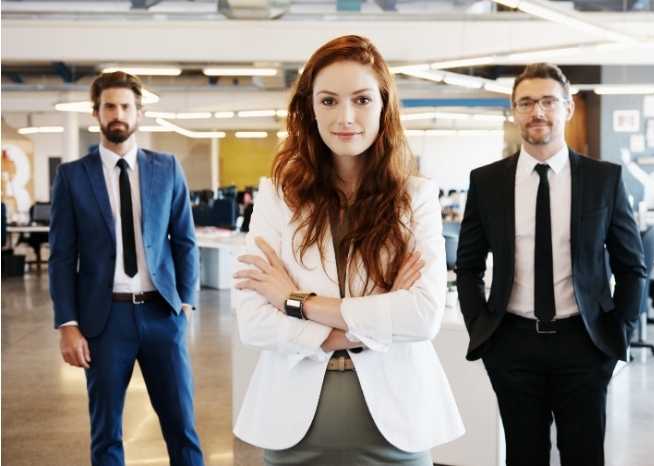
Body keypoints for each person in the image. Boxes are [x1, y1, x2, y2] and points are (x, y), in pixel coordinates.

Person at [232, 35, 464, 465]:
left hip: (396, 426)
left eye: (361, 99)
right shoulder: (278, 198)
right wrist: (374, 321)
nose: (346, 117)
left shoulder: (415, 199)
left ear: (383, 104)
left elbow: (422, 316)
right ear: (309, 108)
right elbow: (252, 321)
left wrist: (294, 301)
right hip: (293, 430)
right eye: (328, 101)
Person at [456, 63, 645, 466]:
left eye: (547, 102)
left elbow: (632, 268)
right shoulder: (486, 182)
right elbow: (468, 265)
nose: (537, 112)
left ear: (568, 108)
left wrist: (617, 335)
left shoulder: (603, 180)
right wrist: (483, 332)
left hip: (584, 343)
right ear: (514, 110)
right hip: (513, 344)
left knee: (584, 455)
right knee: (523, 456)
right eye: (526, 102)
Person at [49, 71, 205, 466]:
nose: (117, 114)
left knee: (182, 429)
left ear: (138, 113)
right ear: (96, 113)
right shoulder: (72, 176)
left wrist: (185, 304)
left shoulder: (166, 168)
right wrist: (68, 324)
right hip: (104, 321)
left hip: (160, 314)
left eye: (125, 106)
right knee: (106, 435)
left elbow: (185, 241)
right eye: (109, 107)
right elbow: (62, 256)